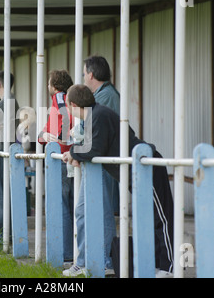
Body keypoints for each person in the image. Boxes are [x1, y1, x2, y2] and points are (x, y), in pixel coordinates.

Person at [62, 85, 174, 278]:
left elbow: (93, 150)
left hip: (148, 169)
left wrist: (72, 153)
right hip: (137, 171)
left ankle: (170, 267)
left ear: (73, 105)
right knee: (148, 219)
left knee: (161, 218)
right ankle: (159, 263)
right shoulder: (97, 115)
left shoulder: (98, 116)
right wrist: (75, 154)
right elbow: (94, 148)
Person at [82, 55, 121, 270]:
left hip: (105, 160)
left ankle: (106, 260)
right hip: (101, 158)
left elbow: (92, 130)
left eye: (84, 73)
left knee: (104, 209)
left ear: (91, 74)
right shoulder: (103, 94)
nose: (83, 77)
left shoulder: (105, 97)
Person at [38, 69, 74, 262]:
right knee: (68, 203)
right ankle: (69, 251)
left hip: (60, 156)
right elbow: (44, 132)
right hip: (65, 155)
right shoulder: (64, 98)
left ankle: (66, 252)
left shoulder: (59, 97)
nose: (47, 86)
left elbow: (65, 120)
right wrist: (43, 135)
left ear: (55, 85)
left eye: (49, 82)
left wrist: (60, 137)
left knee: (61, 205)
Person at [0, 71, 20, 232]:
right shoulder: (13, 100)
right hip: (7, 148)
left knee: (1, 195)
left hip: (0, 151)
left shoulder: (3, 103)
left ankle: (2, 232)